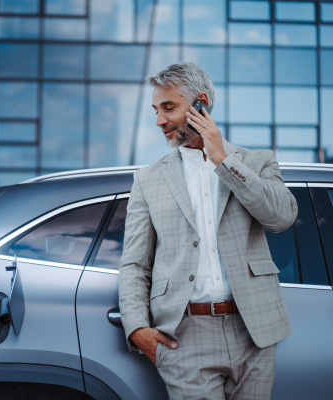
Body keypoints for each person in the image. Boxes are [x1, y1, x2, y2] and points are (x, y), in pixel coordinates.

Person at [118, 62, 297, 400]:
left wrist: (222, 160)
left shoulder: (258, 162)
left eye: (168, 107)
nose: (159, 121)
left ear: (200, 102)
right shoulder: (148, 179)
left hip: (254, 328)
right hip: (185, 334)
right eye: (156, 110)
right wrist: (137, 327)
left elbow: (281, 217)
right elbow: (135, 263)